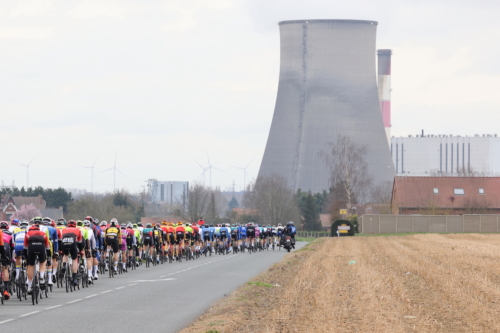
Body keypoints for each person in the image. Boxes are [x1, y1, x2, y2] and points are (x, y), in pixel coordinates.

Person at [24, 223, 51, 294]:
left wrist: (27, 259)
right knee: (42, 262)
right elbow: (48, 248)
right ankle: (41, 276)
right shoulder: (43, 233)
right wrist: (48, 257)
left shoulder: (27, 234)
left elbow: (25, 248)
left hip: (31, 248)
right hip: (41, 248)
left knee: (31, 266)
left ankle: (29, 287)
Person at [60, 220, 84, 286]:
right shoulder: (78, 230)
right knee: (74, 259)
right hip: (72, 243)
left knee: (65, 254)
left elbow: (60, 239)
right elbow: (80, 243)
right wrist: (80, 250)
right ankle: (74, 278)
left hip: (64, 242)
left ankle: (64, 266)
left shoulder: (64, 230)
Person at [0, 222, 13, 300]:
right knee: (5, 268)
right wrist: (6, 257)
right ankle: (6, 290)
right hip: (5, 248)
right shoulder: (4, 233)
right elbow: (2, 245)